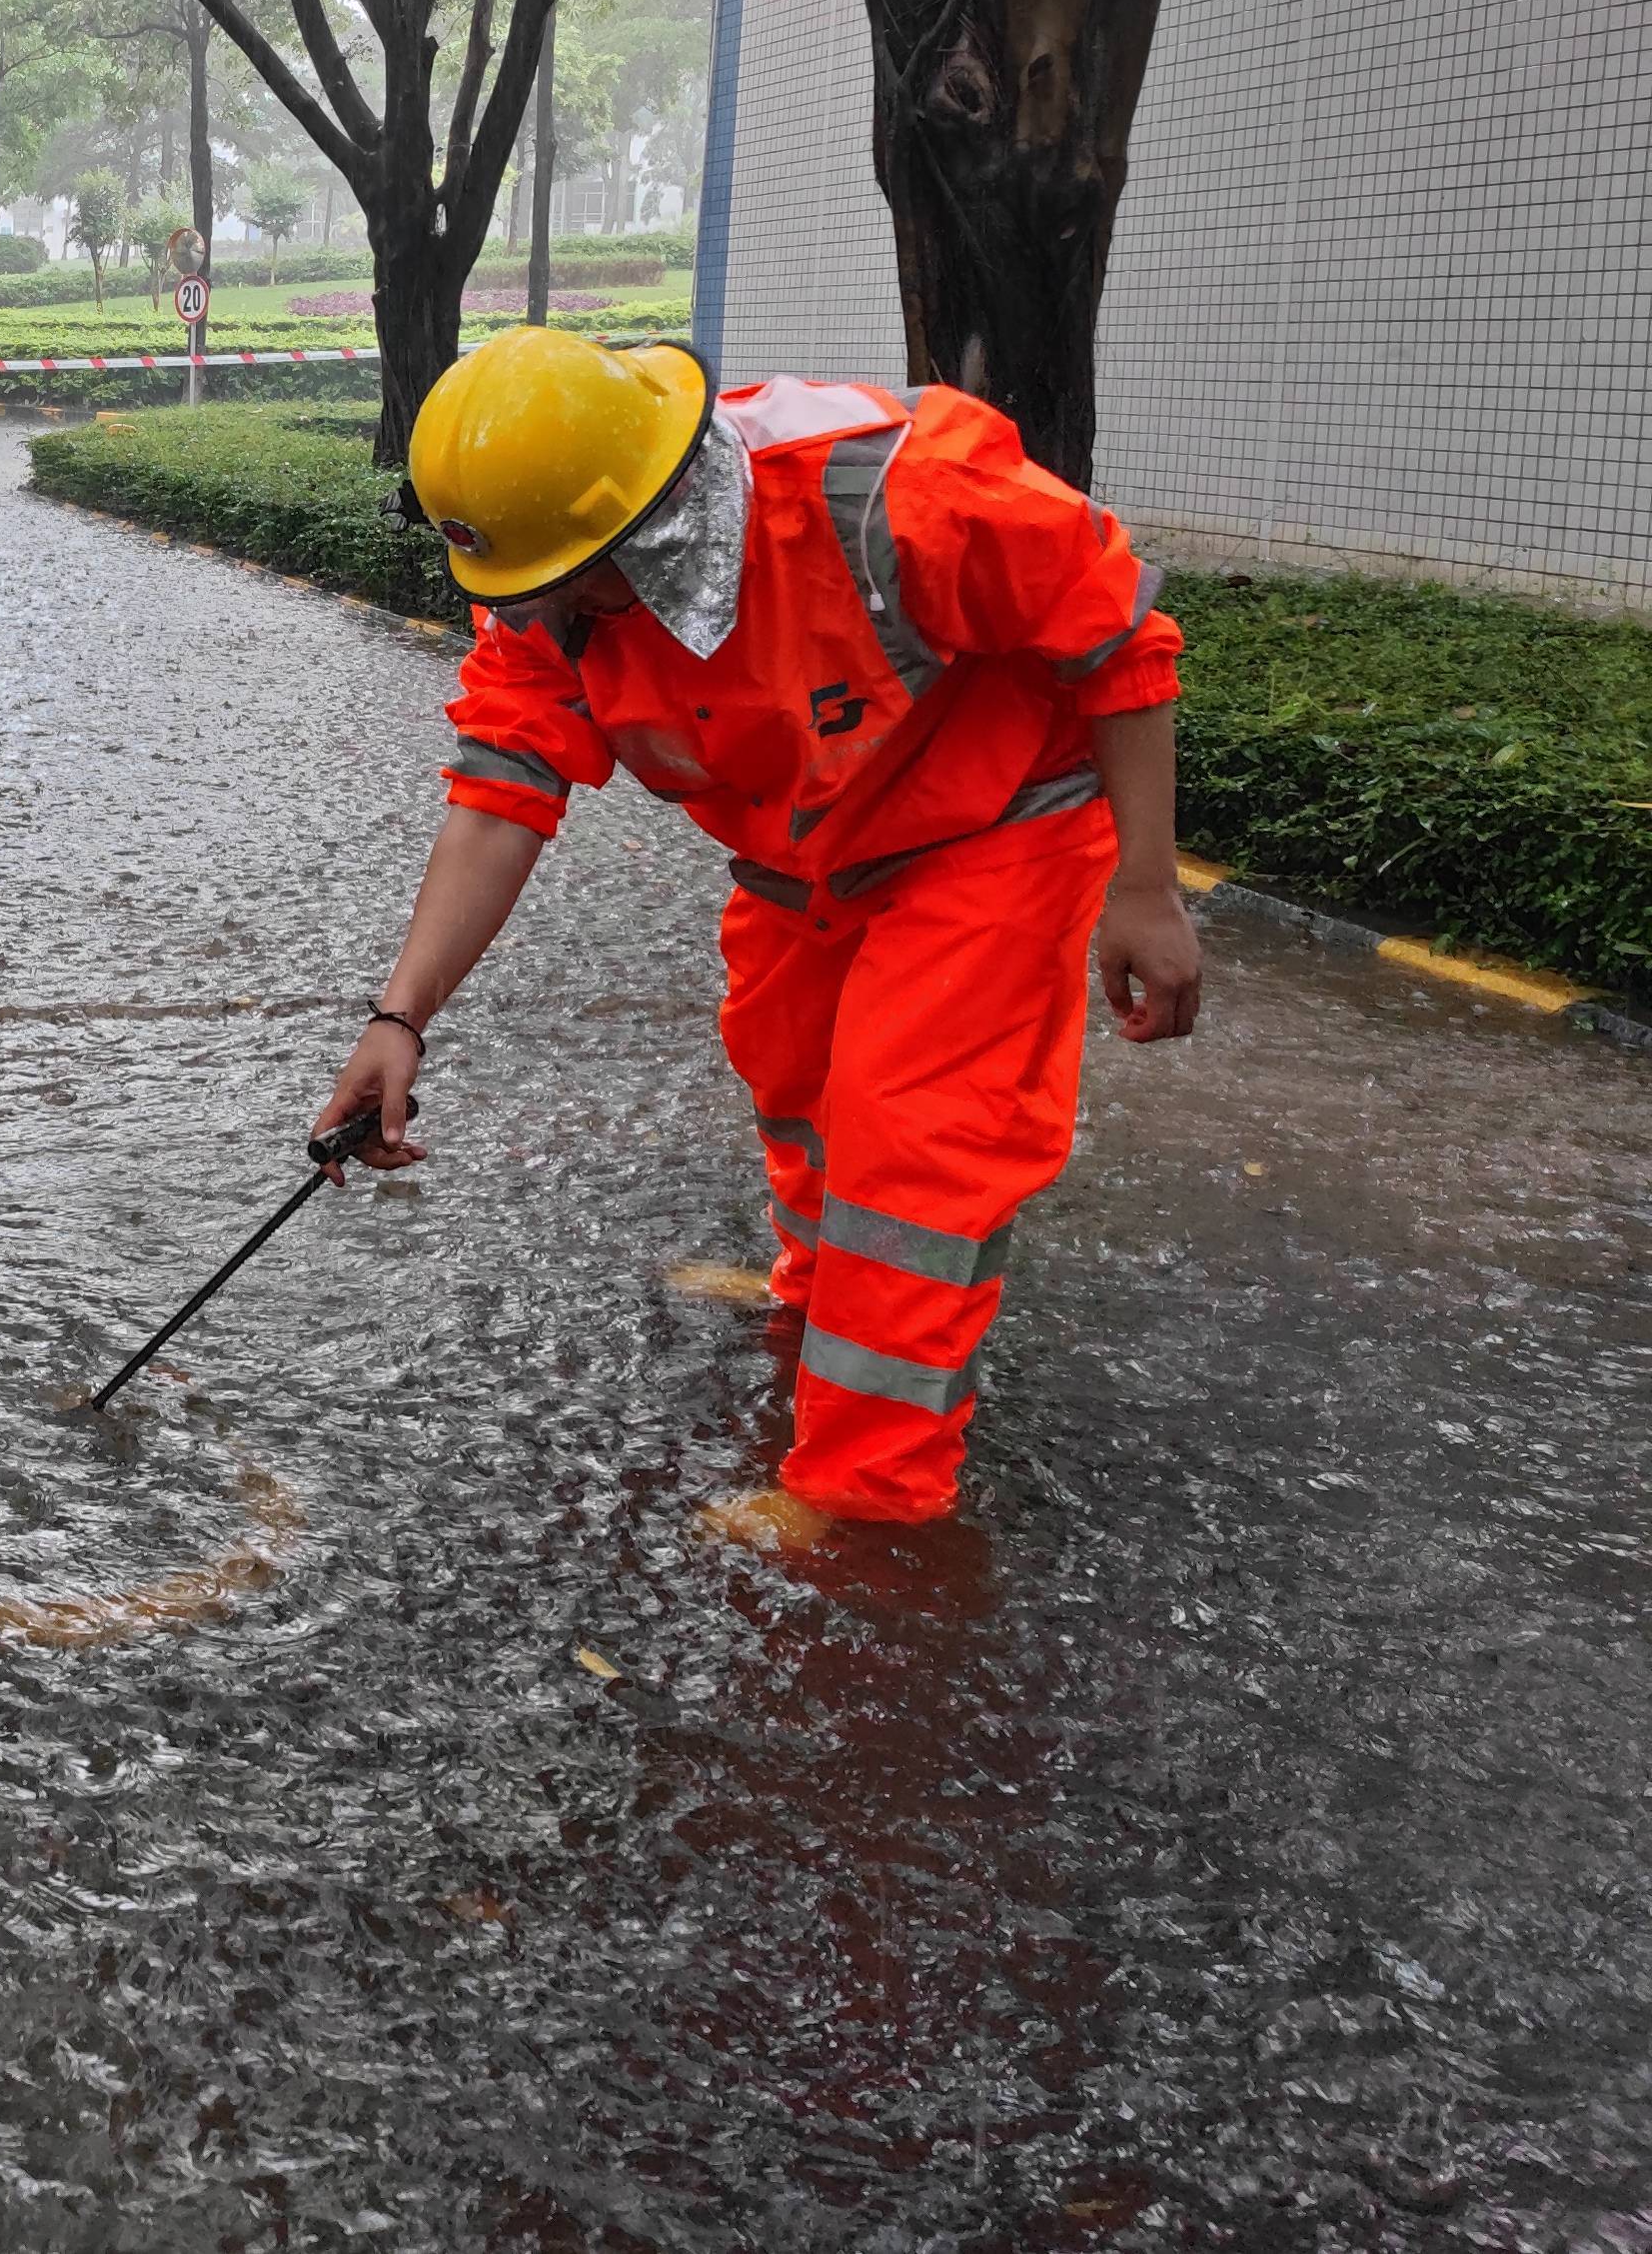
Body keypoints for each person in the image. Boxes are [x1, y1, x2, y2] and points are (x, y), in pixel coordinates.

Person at [314, 329, 1202, 1546]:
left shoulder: (898, 491)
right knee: (792, 1069)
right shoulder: (553, 575)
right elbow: (502, 787)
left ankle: (865, 1490)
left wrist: (1145, 888)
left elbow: (1117, 636)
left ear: (648, 522)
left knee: (914, 1144)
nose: (551, 618)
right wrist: (398, 1016)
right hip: (809, 842)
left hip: (996, 827)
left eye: (574, 586)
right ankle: (821, 1294)